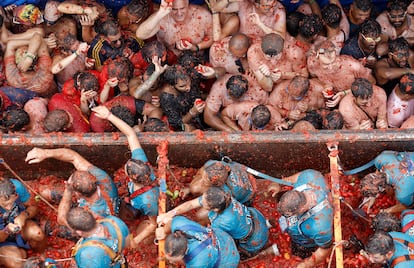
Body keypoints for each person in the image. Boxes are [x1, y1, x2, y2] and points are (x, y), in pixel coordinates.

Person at [91, 105, 158, 247]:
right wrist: (109, 115)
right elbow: (130, 134)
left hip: (146, 208)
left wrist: (136, 241)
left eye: (127, 169)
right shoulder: (141, 162)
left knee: (141, 240)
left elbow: (154, 223)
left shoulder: (149, 202)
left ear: (133, 178)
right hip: (133, 201)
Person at [158, 186, 269, 258]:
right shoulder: (220, 195)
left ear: (215, 209)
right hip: (254, 216)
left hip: (255, 239)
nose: (201, 201)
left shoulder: (223, 221)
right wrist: (170, 214)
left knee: (240, 257)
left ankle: (268, 252)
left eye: (205, 203)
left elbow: (220, 239)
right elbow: (191, 204)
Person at [25, 147, 119, 226]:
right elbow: (73, 157)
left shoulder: (90, 216)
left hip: (93, 226)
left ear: (78, 194)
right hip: (98, 205)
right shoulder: (102, 178)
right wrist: (46, 153)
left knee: (49, 227)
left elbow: (61, 219)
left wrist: (68, 190)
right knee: (44, 191)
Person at [268, 169, 333, 267]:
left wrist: (307, 264)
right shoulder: (309, 176)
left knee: (301, 252)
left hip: (305, 242)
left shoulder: (320, 227)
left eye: (291, 215)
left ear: (302, 209)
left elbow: (326, 249)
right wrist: (279, 184)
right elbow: (296, 177)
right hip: (295, 230)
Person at [307, 40, 375, 107]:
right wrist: (326, 86)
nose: (330, 67)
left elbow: (372, 82)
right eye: (326, 65)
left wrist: (344, 94)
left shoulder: (352, 66)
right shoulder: (312, 63)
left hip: (352, 96)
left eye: (333, 62)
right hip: (330, 96)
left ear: (336, 55)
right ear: (317, 57)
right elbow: (314, 78)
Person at [136, 0, 213, 58]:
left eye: (182, 8)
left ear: (187, 3)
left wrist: (196, 47)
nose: (179, 13)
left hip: (198, 59)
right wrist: (160, 14)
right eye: (174, 9)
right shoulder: (163, 18)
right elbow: (140, 35)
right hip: (170, 61)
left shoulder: (202, 15)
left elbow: (212, 37)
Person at [155, 215, 240, 267]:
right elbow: (171, 223)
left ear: (184, 252)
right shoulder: (178, 223)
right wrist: (163, 231)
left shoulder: (197, 263)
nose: (171, 261)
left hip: (229, 259)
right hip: (222, 236)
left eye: (173, 259)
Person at [0, 178, 46, 268]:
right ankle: (21, 251)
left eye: (11, 203)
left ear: (16, 195)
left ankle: (41, 255)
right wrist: (7, 230)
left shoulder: (17, 186)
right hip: (2, 238)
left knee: (38, 234)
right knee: (16, 264)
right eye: (4, 205)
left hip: (22, 225)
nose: (9, 208)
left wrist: (24, 215)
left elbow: (34, 206)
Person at [4, 28, 56, 96]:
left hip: (20, 94)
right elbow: (37, 36)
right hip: (44, 94)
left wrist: (28, 58)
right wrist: (29, 57)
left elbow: (10, 44)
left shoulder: (12, 76)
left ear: (16, 64)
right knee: (40, 32)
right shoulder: (44, 75)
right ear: (37, 63)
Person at [190, 159, 256, 205]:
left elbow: (223, 205)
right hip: (230, 182)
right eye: (204, 177)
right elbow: (201, 171)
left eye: (206, 181)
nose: (202, 182)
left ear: (219, 184)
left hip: (244, 195)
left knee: (202, 215)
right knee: (194, 188)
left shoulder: (233, 190)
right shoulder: (213, 165)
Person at [159, 64, 205, 131]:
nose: (188, 88)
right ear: (172, 86)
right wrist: (192, 112)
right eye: (182, 86)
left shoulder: (190, 75)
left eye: (189, 82)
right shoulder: (167, 98)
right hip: (186, 124)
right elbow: (178, 123)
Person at [217, 0, 286, 42]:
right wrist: (228, 0)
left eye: (273, 5)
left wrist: (261, 25)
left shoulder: (279, 10)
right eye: (267, 8)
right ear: (257, 5)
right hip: (242, 43)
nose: (272, 10)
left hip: (262, 47)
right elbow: (218, 8)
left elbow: (282, 37)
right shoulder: (246, 5)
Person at [221, 101, 285, 131]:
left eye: (259, 128)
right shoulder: (243, 108)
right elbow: (223, 115)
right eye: (251, 121)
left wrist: (273, 130)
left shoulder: (276, 118)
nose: (255, 129)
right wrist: (236, 131)